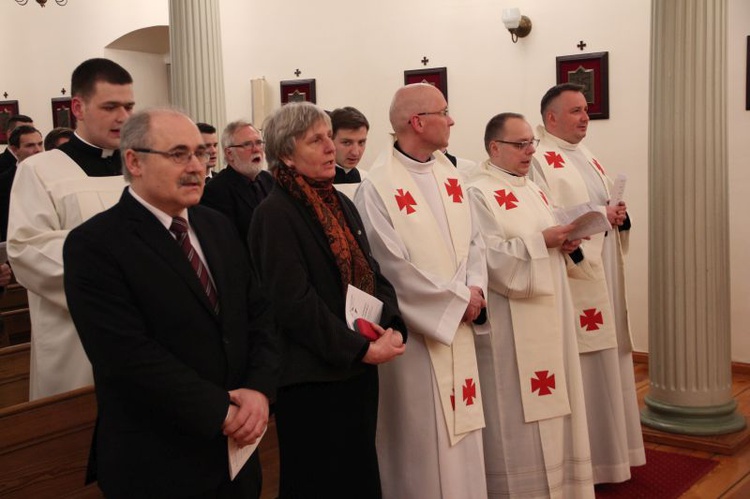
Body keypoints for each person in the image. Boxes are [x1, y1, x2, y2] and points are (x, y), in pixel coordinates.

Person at [64, 108, 278, 498]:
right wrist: (221, 411)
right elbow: (126, 355)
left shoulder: (216, 225)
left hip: (235, 455)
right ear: (134, 161)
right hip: (156, 460)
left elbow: (258, 314)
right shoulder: (95, 244)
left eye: (200, 153)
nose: (196, 166)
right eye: (179, 154)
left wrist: (259, 390)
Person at [249, 101, 406, 498]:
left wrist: (390, 325)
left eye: (327, 137)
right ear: (286, 152)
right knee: (318, 480)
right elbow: (294, 303)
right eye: (316, 140)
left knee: (358, 474)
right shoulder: (274, 213)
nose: (330, 148)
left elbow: (372, 273)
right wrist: (358, 349)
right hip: (312, 377)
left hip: (354, 370)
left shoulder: (340, 201)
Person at [354, 83, 489, 499]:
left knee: (462, 439)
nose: (452, 120)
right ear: (418, 122)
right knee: (422, 445)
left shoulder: (451, 173)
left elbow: (475, 243)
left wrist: (475, 290)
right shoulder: (377, 187)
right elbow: (390, 268)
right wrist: (455, 303)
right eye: (444, 112)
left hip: (458, 323)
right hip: (415, 342)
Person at [466, 112, 594, 498]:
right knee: (516, 412)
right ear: (494, 147)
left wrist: (566, 242)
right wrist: (543, 242)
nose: (530, 151)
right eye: (520, 144)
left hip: (550, 313)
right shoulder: (478, 192)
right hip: (511, 322)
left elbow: (549, 232)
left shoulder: (533, 187)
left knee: (556, 403)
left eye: (531, 143)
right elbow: (488, 258)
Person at [531, 83, 644, 483]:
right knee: (586, 365)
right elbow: (545, 216)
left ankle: (615, 454)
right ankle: (590, 462)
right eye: (576, 111)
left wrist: (618, 215)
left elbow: (600, 206)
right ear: (551, 118)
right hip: (576, 276)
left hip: (604, 271)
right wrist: (600, 212)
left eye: (586, 110)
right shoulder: (539, 159)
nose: (585, 118)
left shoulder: (585, 155)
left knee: (609, 359)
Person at [7, 58, 134, 400]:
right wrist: (120, 274)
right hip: (75, 335)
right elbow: (27, 249)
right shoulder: (39, 170)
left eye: (128, 106)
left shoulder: (140, 166)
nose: (123, 117)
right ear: (78, 107)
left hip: (143, 330)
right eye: (110, 106)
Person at [201, 120, 273, 244]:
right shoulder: (216, 191)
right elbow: (227, 242)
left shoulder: (269, 179)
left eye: (259, 143)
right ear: (229, 154)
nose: (256, 149)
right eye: (247, 144)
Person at [0, 126, 44, 240]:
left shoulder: (55, 176)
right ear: (15, 150)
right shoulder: (4, 182)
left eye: (40, 144)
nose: (38, 149)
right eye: (30, 145)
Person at [330, 106, 369, 198]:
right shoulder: (313, 183)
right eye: (347, 143)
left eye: (361, 142)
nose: (355, 152)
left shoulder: (367, 180)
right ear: (329, 140)